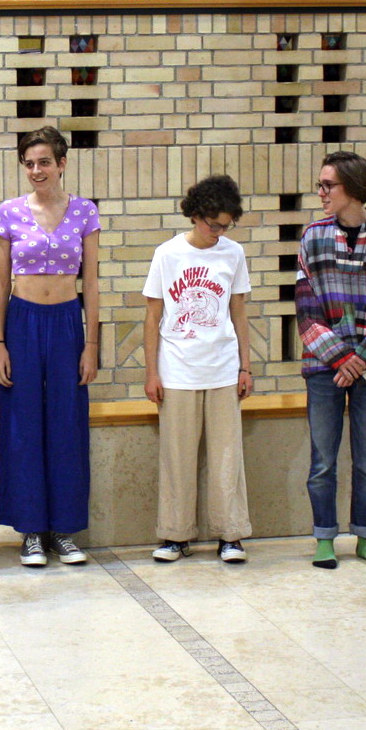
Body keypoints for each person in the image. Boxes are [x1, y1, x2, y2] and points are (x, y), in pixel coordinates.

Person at [0, 126, 100, 568]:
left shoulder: (85, 212)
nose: (36, 170)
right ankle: (31, 530)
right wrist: (0, 341)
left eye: (44, 162)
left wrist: (91, 343)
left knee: (66, 423)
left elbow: (92, 282)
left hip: (66, 324)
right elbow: (1, 283)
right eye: (29, 163)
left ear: (62, 163)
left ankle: (63, 530)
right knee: (23, 425)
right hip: (22, 322)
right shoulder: (8, 212)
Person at [296, 150, 366, 569]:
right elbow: (305, 307)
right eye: (320, 184)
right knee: (322, 462)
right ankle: (324, 538)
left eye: (329, 185)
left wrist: (361, 359)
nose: (321, 192)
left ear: (354, 188)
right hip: (324, 367)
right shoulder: (312, 237)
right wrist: (341, 357)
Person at [142, 175, 254, 564]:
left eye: (225, 225)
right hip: (177, 370)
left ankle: (231, 535)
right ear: (195, 214)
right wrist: (151, 373)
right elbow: (152, 316)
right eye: (213, 224)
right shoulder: (167, 254)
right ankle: (175, 535)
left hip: (223, 369)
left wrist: (246, 367)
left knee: (227, 458)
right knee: (177, 458)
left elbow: (238, 312)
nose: (218, 232)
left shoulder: (233, 254)